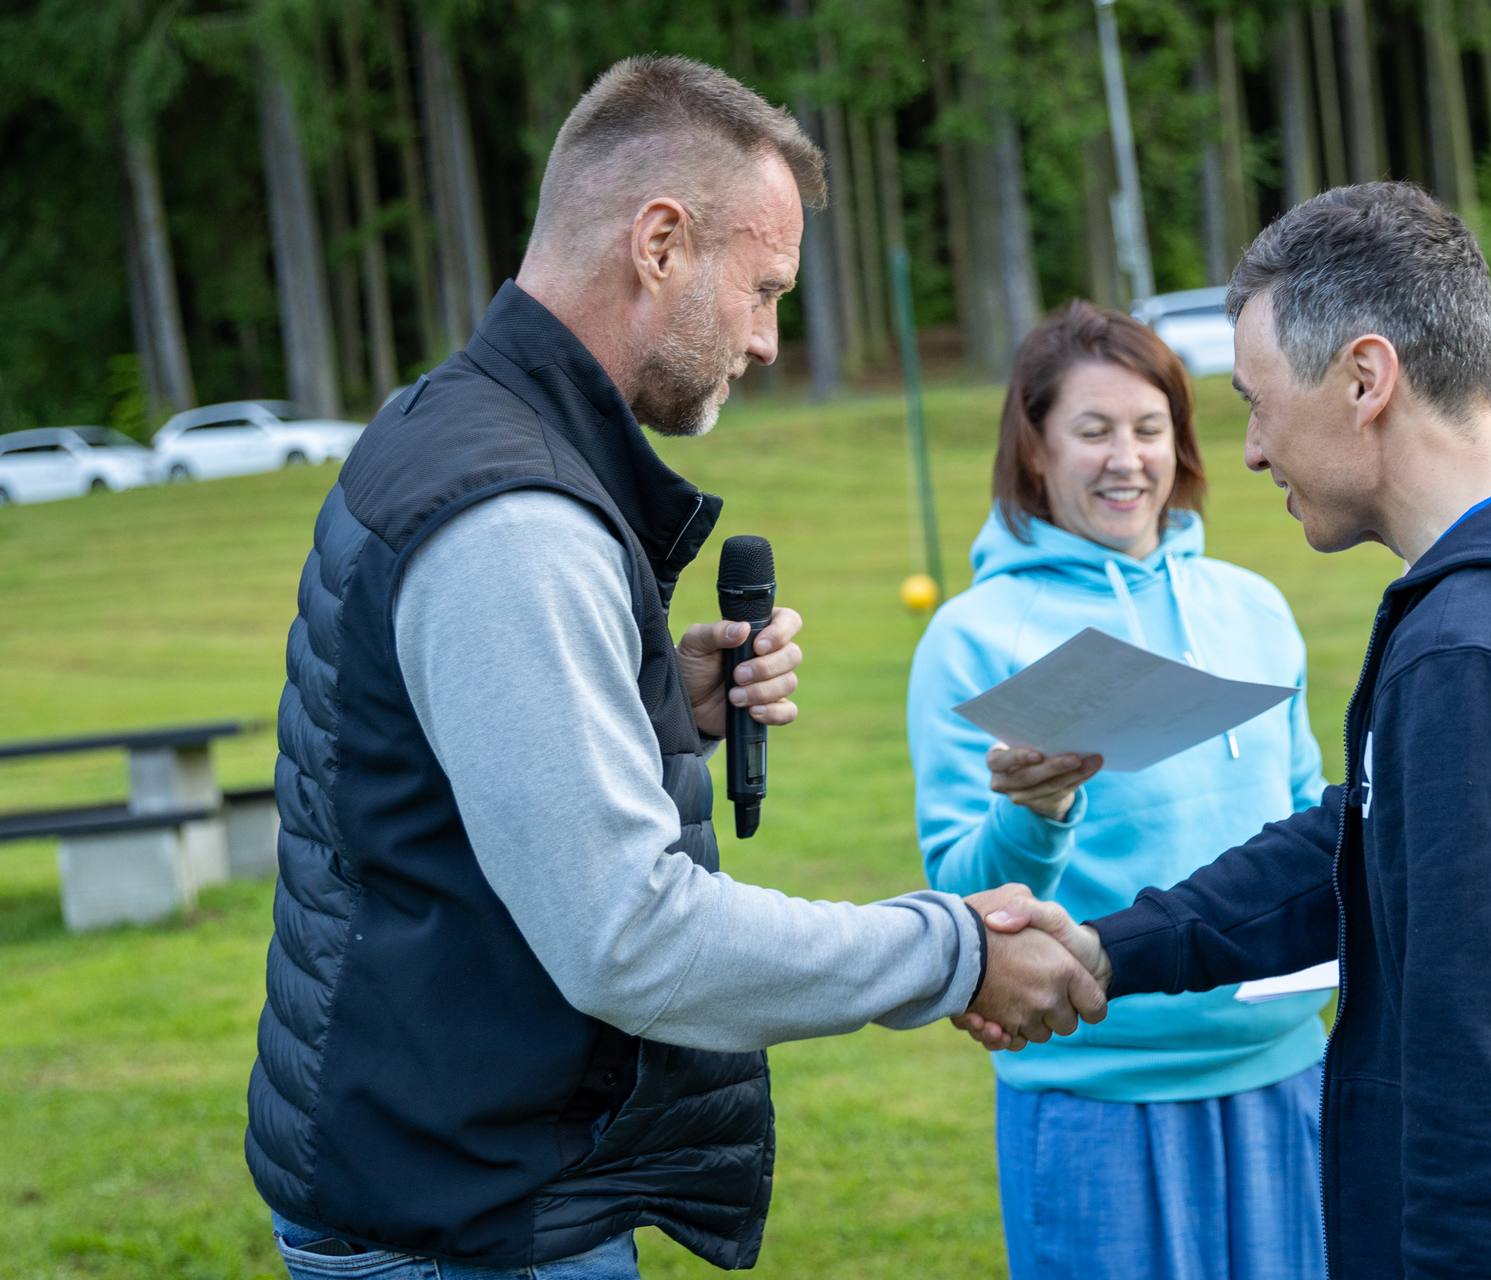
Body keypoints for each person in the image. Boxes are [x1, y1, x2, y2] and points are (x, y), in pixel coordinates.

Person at [243, 55, 1103, 1280]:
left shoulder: (447, 421)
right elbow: (630, 937)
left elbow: (422, 778)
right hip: (469, 1228)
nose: (766, 340)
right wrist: (951, 945)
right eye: (763, 289)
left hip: (455, 1183)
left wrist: (651, 710)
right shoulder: (513, 518)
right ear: (659, 243)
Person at [962, 182, 1491, 1278]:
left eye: (1259, 401)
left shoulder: (1483, 658)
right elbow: (1379, 831)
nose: (1253, 451)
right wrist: (1110, 946)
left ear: (1366, 378)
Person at [908, 301, 1331, 1279]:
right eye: (1093, 431)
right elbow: (966, 895)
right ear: (1035, 449)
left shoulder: (1253, 607)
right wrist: (1035, 811)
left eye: (1150, 429)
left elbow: (1308, 815)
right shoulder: (972, 638)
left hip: (1285, 1070)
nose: (1127, 459)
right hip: (1094, 1093)